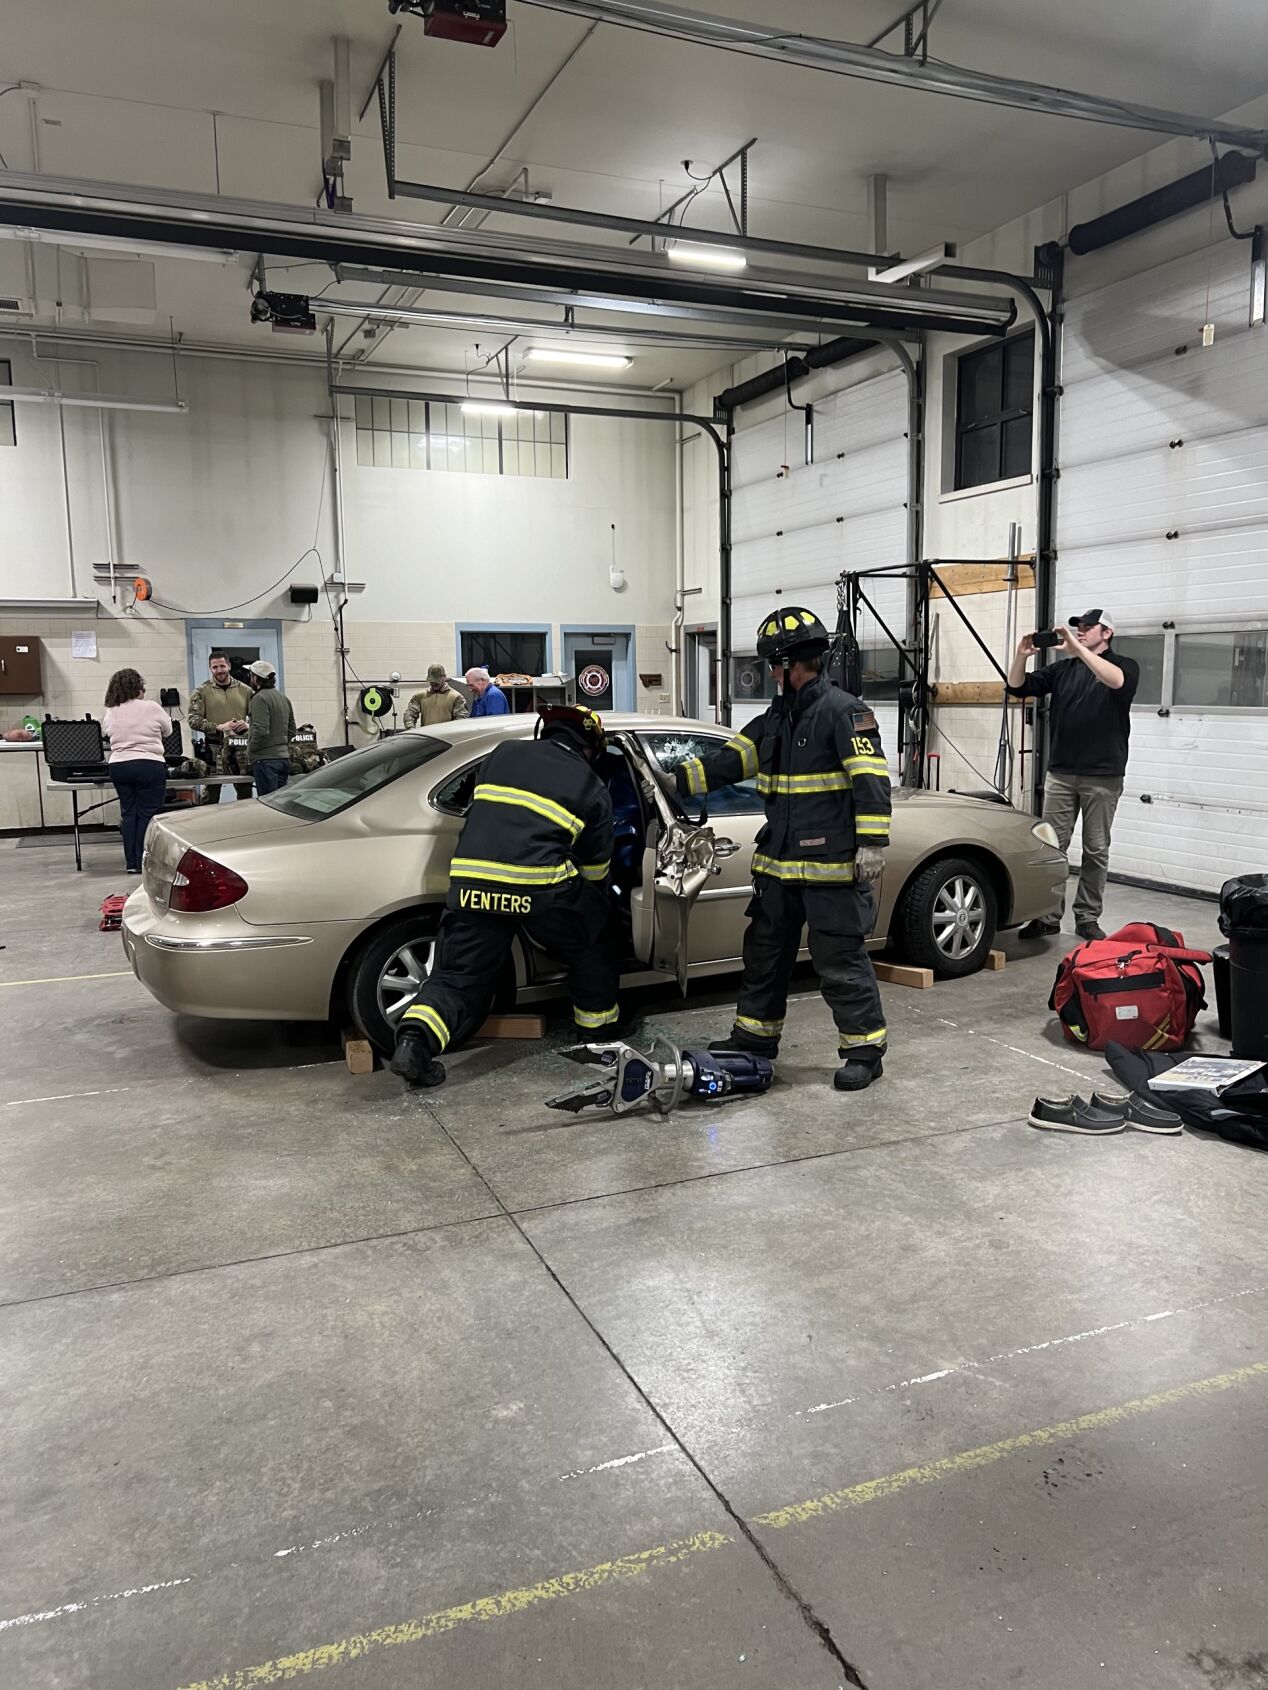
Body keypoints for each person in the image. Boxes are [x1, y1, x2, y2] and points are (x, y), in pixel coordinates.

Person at [672, 606, 892, 1093]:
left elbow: (871, 781)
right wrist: (671, 781)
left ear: (793, 664)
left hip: (831, 870)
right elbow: (729, 762)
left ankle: (863, 1051)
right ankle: (753, 1041)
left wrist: (873, 843)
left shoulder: (843, 712)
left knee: (839, 961)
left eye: (775, 664)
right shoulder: (775, 718)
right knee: (765, 956)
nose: (771, 672)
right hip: (778, 867)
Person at [391, 704, 619, 1088]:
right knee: (594, 938)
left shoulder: (503, 753)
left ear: (544, 731)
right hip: (539, 890)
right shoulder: (590, 784)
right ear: (591, 748)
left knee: (460, 974)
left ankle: (415, 1041)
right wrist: (597, 902)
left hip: (471, 886)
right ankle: (597, 1036)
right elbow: (596, 870)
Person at [1007, 608, 1139, 942]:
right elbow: (1017, 687)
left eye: (1087, 628)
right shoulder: (1062, 670)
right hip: (1062, 773)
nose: (1079, 632)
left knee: (1095, 850)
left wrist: (1076, 649)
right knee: (1052, 847)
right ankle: (1047, 916)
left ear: (1106, 632)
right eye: (1077, 628)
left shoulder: (1125, 666)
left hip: (1103, 775)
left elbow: (1115, 681)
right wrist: (1021, 657)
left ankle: (1087, 917)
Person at [102, 668, 170, 874]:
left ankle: (131, 863)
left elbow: (106, 733)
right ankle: (144, 861)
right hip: (149, 764)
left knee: (129, 814)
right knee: (148, 814)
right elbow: (168, 730)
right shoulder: (152, 707)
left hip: (119, 766)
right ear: (137, 687)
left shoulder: (111, 710)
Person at [187, 653, 253, 803]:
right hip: (214, 748)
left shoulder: (246, 690)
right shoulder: (201, 691)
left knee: (245, 793)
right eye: (215, 667)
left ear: (229, 666)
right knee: (211, 793)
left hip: (241, 748)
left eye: (222, 666)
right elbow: (193, 720)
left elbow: (258, 718)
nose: (219, 670)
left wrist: (247, 725)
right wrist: (218, 727)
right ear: (210, 668)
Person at [245, 659, 296, 796]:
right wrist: (280, 745)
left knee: (268, 806)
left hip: (265, 761)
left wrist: (250, 751)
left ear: (256, 678)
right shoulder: (283, 698)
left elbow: (261, 730)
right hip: (283, 760)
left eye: (251, 675)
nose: (250, 679)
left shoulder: (259, 698)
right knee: (279, 805)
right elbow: (292, 730)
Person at [404, 664, 470, 729]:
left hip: (446, 738)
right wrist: (410, 728)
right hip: (427, 737)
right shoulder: (420, 696)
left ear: (444, 678)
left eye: (436, 681)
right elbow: (409, 714)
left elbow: (461, 721)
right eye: (431, 681)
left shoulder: (456, 697)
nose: (433, 683)